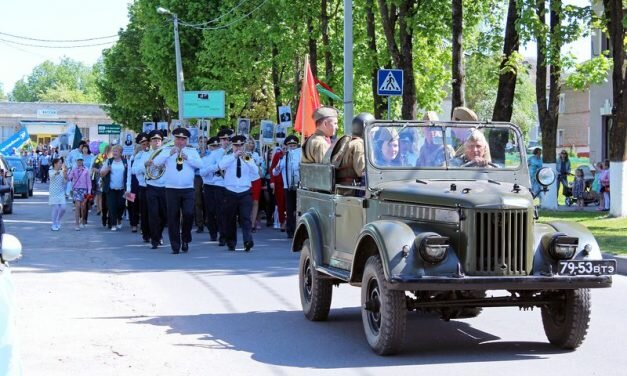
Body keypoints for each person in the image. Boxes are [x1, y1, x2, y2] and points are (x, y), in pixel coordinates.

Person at [153, 127, 203, 254]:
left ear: (186, 140)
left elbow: (200, 165)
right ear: (174, 139)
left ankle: (185, 238)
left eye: (183, 139)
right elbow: (156, 162)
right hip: (171, 189)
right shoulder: (166, 150)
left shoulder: (192, 151)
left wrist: (188, 158)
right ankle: (175, 245)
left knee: (188, 214)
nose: (180, 141)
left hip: (187, 189)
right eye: (178, 139)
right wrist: (169, 153)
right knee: (172, 217)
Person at [218, 135, 257, 251]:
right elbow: (221, 166)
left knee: (245, 218)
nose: (238, 147)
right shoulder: (227, 157)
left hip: (244, 191)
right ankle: (231, 242)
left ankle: (248, 241)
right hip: (230, 191)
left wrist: (246, 159)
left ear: (244, 146)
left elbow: (255, 171)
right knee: (230, 219)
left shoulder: (249, 158)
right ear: (232, 146)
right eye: (236, 145)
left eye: (241, 145)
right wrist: (234, 156)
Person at [137, 130, 167, 248]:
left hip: (164, 187)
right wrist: (145, 165)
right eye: (154, 140)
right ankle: (155, 239)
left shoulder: (166, 152)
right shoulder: (145, 154)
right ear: (150, 142)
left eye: (159, 140)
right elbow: (137, 170)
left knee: (164, 215)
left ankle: (159, 234)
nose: (157, 142)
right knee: (153, 214)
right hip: (151, 186)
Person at [273, 135, 300, 239]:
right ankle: (290, 230)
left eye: (294, 145)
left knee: (298, 209)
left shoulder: (300, 155)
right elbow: (275, 172)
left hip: (299, 186)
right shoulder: (284, 157)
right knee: (289, 210)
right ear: (287, 146)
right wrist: (278, 167)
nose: (292, 147)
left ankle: (298, 229)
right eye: (290, 145)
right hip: (287, 186)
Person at [100, 145, 128, 231]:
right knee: (112, 206)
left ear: (120, 153)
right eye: (113, 151)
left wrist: (128, 188)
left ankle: (119, 219)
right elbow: (101, 174)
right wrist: (107, 169)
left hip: (122, 189)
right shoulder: (109, 161)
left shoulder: (125, 161)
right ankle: (113, 224)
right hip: (111, 189)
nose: (114, 153)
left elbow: (128, 174)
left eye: (116, 151)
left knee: (121, 206)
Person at [199, 137, 222, 242]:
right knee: (210, 210)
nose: (215, 148)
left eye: (217, 146)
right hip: (209, 185)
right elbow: (202, 173)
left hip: (221, 186)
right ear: (209, 147)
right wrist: (212, 167)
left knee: (221, 211)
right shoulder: (205, 158)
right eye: (213, 146)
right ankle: (213, 232)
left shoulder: (223, 155)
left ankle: (222, 233)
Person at [129, 133, 150, 238]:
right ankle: (134, 224)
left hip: (143, 184)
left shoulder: (149, 154)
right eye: (142, 144)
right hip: (133, 185)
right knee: (133, 205)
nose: (144, 146)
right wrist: (127, 188)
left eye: (146, 143)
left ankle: (144, 227)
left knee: (144, 208)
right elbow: (129, 173)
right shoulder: (133, 157)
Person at [69, 155, 92, 231]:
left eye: (80, 160)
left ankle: (82, 220)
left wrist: (89, 192)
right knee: (77, 206)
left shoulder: (86, 170)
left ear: (82, 161)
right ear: (76, 161)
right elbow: (69, 178)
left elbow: (89, 182)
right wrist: (65, 172)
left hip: (84, 190)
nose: (79, 162)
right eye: (78, 160)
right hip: (76, 189)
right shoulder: (74, 169)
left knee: (83, 206)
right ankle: (77, 224)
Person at [245, 138, 263, 232]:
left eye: (252, 143)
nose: (250, 144)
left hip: (256, 179)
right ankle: (246, 221)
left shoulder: (256, 155)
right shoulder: (243, 154)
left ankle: (252, 223)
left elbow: (259, 166)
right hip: (246, 179)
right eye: (248, 142)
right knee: (247, 201)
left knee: (255, 201)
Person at [269, 145, 286, 232]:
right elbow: (272, 168)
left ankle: (290, 222)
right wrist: (272, 181)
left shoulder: (296, 154)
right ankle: (282, 222)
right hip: (279, 183)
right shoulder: (278, 155)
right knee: (280, 203)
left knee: (290, 204)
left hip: (291, 183)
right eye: (285, 147)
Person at [48, 158, 67, 231]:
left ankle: (58, 220)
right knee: (56, 208)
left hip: (61, 192)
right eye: (59, 163)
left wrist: (65, 174)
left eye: (61, 163)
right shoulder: (50, 171)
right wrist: (57, 172)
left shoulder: (62, 172)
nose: (61, 164)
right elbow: (51, 176)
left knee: (63, 208)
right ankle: (53, 224)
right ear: (55, 164)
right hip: (53, 192)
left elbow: (65, 182)